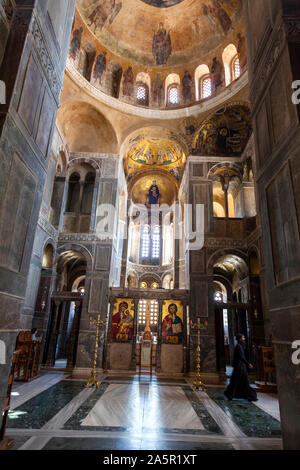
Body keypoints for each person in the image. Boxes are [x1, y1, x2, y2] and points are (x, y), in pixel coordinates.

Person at [224, 334, 258, 402]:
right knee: (237, 382)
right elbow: (241, 357)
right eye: (243, 337)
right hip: (240, 368)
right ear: (240, 339)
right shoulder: (239, 347)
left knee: (240, 382)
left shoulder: (240, 346)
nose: (244, 339)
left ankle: (232, 394)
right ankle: (231, 394)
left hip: (241, 367)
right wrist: (248, 364)